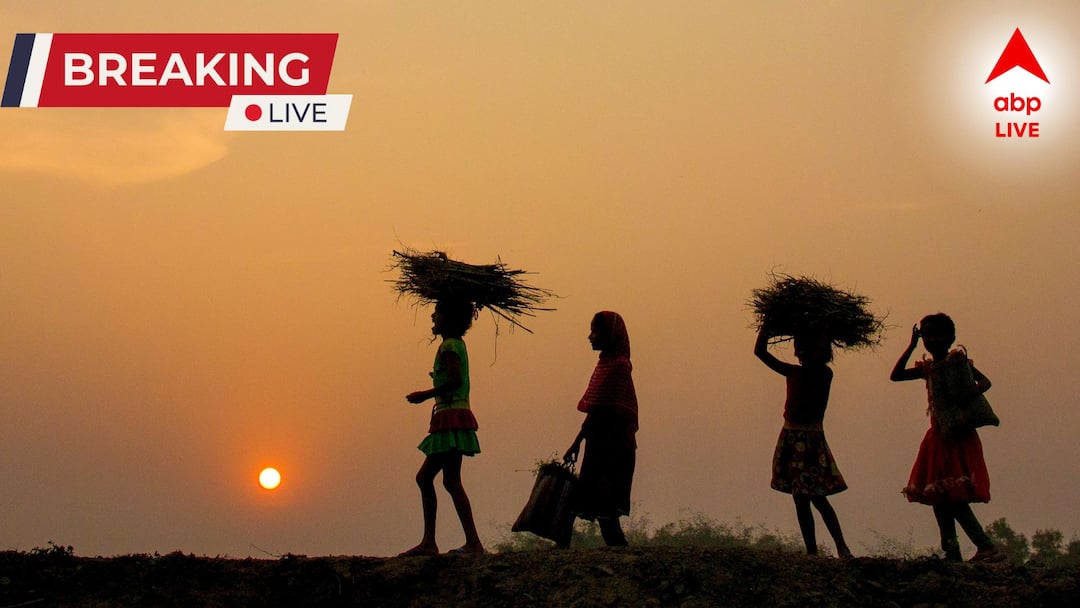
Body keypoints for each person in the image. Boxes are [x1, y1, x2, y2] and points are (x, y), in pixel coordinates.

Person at [890, 313, 1004, 562]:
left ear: (950, 338)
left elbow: (985, 381)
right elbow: (896, 375)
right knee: (939, 497)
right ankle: (951, 551)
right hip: (938, 437)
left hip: (957, 437)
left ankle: (986, 546)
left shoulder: (958, 362)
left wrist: (970, 392)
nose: (931, 340)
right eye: (926, 335)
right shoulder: (928, 368)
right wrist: (911, 344)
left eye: (936, 334)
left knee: (954, 497)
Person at [754, 326, 852, 558]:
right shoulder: (792, 372)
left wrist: (822, 330)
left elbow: (820, 350)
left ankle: (841, 547)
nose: (803, 353)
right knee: (800, 499)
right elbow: (760, 352)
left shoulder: (824, 374)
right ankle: (812, 551)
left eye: (808, 348)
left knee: (817, 497)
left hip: (811, 442)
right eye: (800, 348)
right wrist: (766, 329)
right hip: (791, 437)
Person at [400, 299, 484, 556]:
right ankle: (465, 542)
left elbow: (456, 380)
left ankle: (437, 542)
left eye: (437, 312)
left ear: (449, 318)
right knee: (448, 480)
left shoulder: (449, 346)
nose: (433, 317)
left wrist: (425, 394)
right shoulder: (457, 344)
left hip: (451, 418)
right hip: (453, 416)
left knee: (428, 478)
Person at [563, 311, 639, 547]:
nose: (590, 337)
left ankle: (561, 548)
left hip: (613, 450)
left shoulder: (619, 367)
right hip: (601, 446)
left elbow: (602, 411)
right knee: (595, 507)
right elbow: (596, 411)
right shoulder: (606, 364)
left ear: (609, 335)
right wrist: (578, 443)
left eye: (595, 331)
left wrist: (577, 442)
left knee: (601, 508)